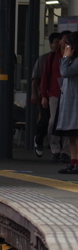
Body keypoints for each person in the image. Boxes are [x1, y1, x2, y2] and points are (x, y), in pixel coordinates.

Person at [41, 32, 70, 162]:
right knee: (53, 121)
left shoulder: (73, 56)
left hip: (70, 95)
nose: (60, 43)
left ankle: (66, 151)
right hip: (54, 93)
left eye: (63, 40)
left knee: (68, 123)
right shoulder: (52, 57)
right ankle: (55, 149)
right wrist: (43, 96)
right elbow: (45, 77)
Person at [30, 33, 60, 157]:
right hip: (46, 95)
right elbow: (36, 79)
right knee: (45, 120)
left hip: (56, 94)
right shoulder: (44, 59)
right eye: (56, 42)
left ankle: (58, 149)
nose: (59, 45)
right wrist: (35, 94)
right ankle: (39, 139)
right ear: (51, 44)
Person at [54, 34, 78, 173]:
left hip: (75, 103)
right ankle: (73, 162)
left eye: (68, 45)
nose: (65, 48)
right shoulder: (71, 60)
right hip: (70, 102)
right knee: (72, 136)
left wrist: (66, 57)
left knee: (76, 134)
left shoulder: (75, 61)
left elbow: (65, 72)